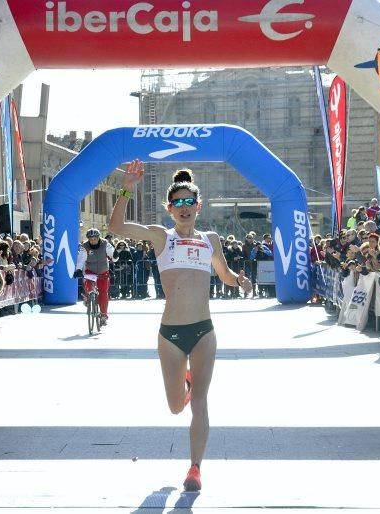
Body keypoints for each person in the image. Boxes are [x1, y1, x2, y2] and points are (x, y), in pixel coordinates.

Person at [109, 161, 252, 492]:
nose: (185, 208)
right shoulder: (161, 236)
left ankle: (195, 468)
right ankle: (183, 383)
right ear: (170, 208)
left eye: (190, 202)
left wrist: (239, 282)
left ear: (198, 206)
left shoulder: (212, 240)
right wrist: (126, 187)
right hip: (171, 336)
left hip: (203, 331)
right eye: (179, 203)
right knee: (176, 407)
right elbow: (116, 226)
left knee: (200, 400)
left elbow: (225, 274)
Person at [74, 228, 115, 325]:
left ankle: (104, 315)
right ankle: (88, 298)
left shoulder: (105, 244)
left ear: (98, 237)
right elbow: (81, 259)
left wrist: (115, 256)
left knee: (103, 293)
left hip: (103, 271)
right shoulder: (85, 246)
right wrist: (78, 269)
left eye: (94, 239)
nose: (92, 241)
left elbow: (112, 253)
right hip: (90, 270)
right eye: (90, 239)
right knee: (88, 286)